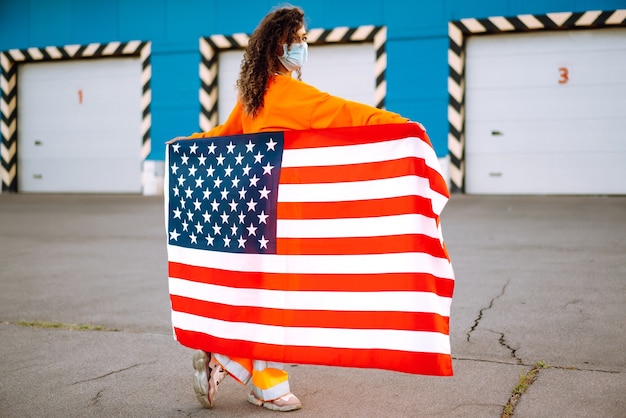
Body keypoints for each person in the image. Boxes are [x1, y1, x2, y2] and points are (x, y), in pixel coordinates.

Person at [184, 4, 416, 412]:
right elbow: (348, 114)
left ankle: (226, 358)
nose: (305, 46)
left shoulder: (252, 96)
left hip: (251, 212)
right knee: (278, 297)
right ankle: (261, 380)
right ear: (280, 44)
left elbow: (222, 134)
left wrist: (187, 143)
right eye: (300, 39)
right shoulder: (291, 93)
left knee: (260, 294)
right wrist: (402, 126)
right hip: (280, 216)